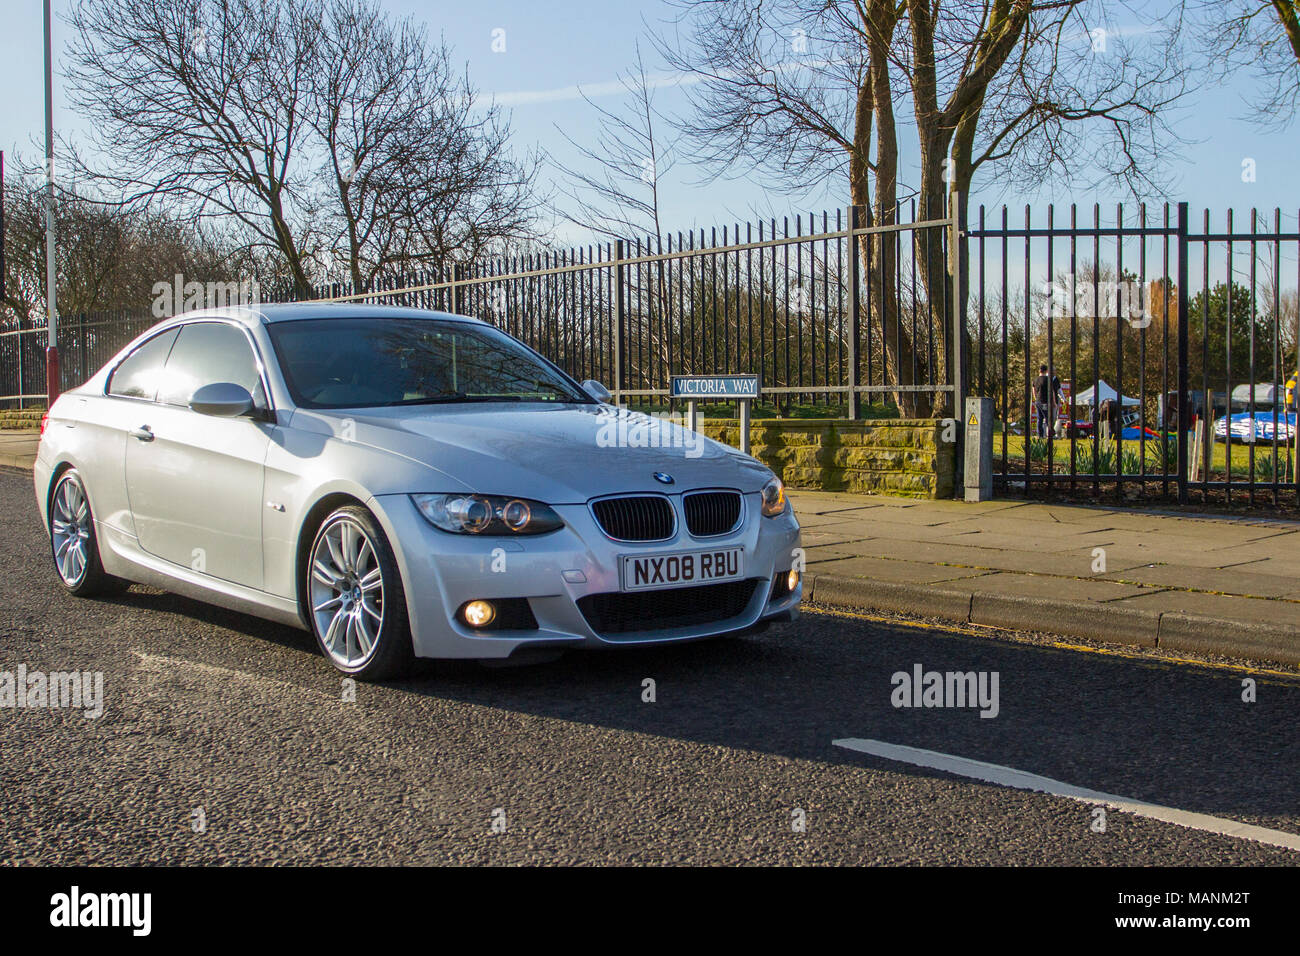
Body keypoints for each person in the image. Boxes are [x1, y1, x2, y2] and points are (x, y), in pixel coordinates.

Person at [1033, 364, 1062, 438]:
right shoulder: (1047, 379)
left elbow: (1034, 391)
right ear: (1046, 371)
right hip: (1045, 401)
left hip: (1038, 401)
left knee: (1039, 418)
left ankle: (1040, 434)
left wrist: (1036, 398)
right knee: (1048, 419)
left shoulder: (1035, 379)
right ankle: (1050, 433)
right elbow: (1051, 391)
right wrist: (1054, 402)